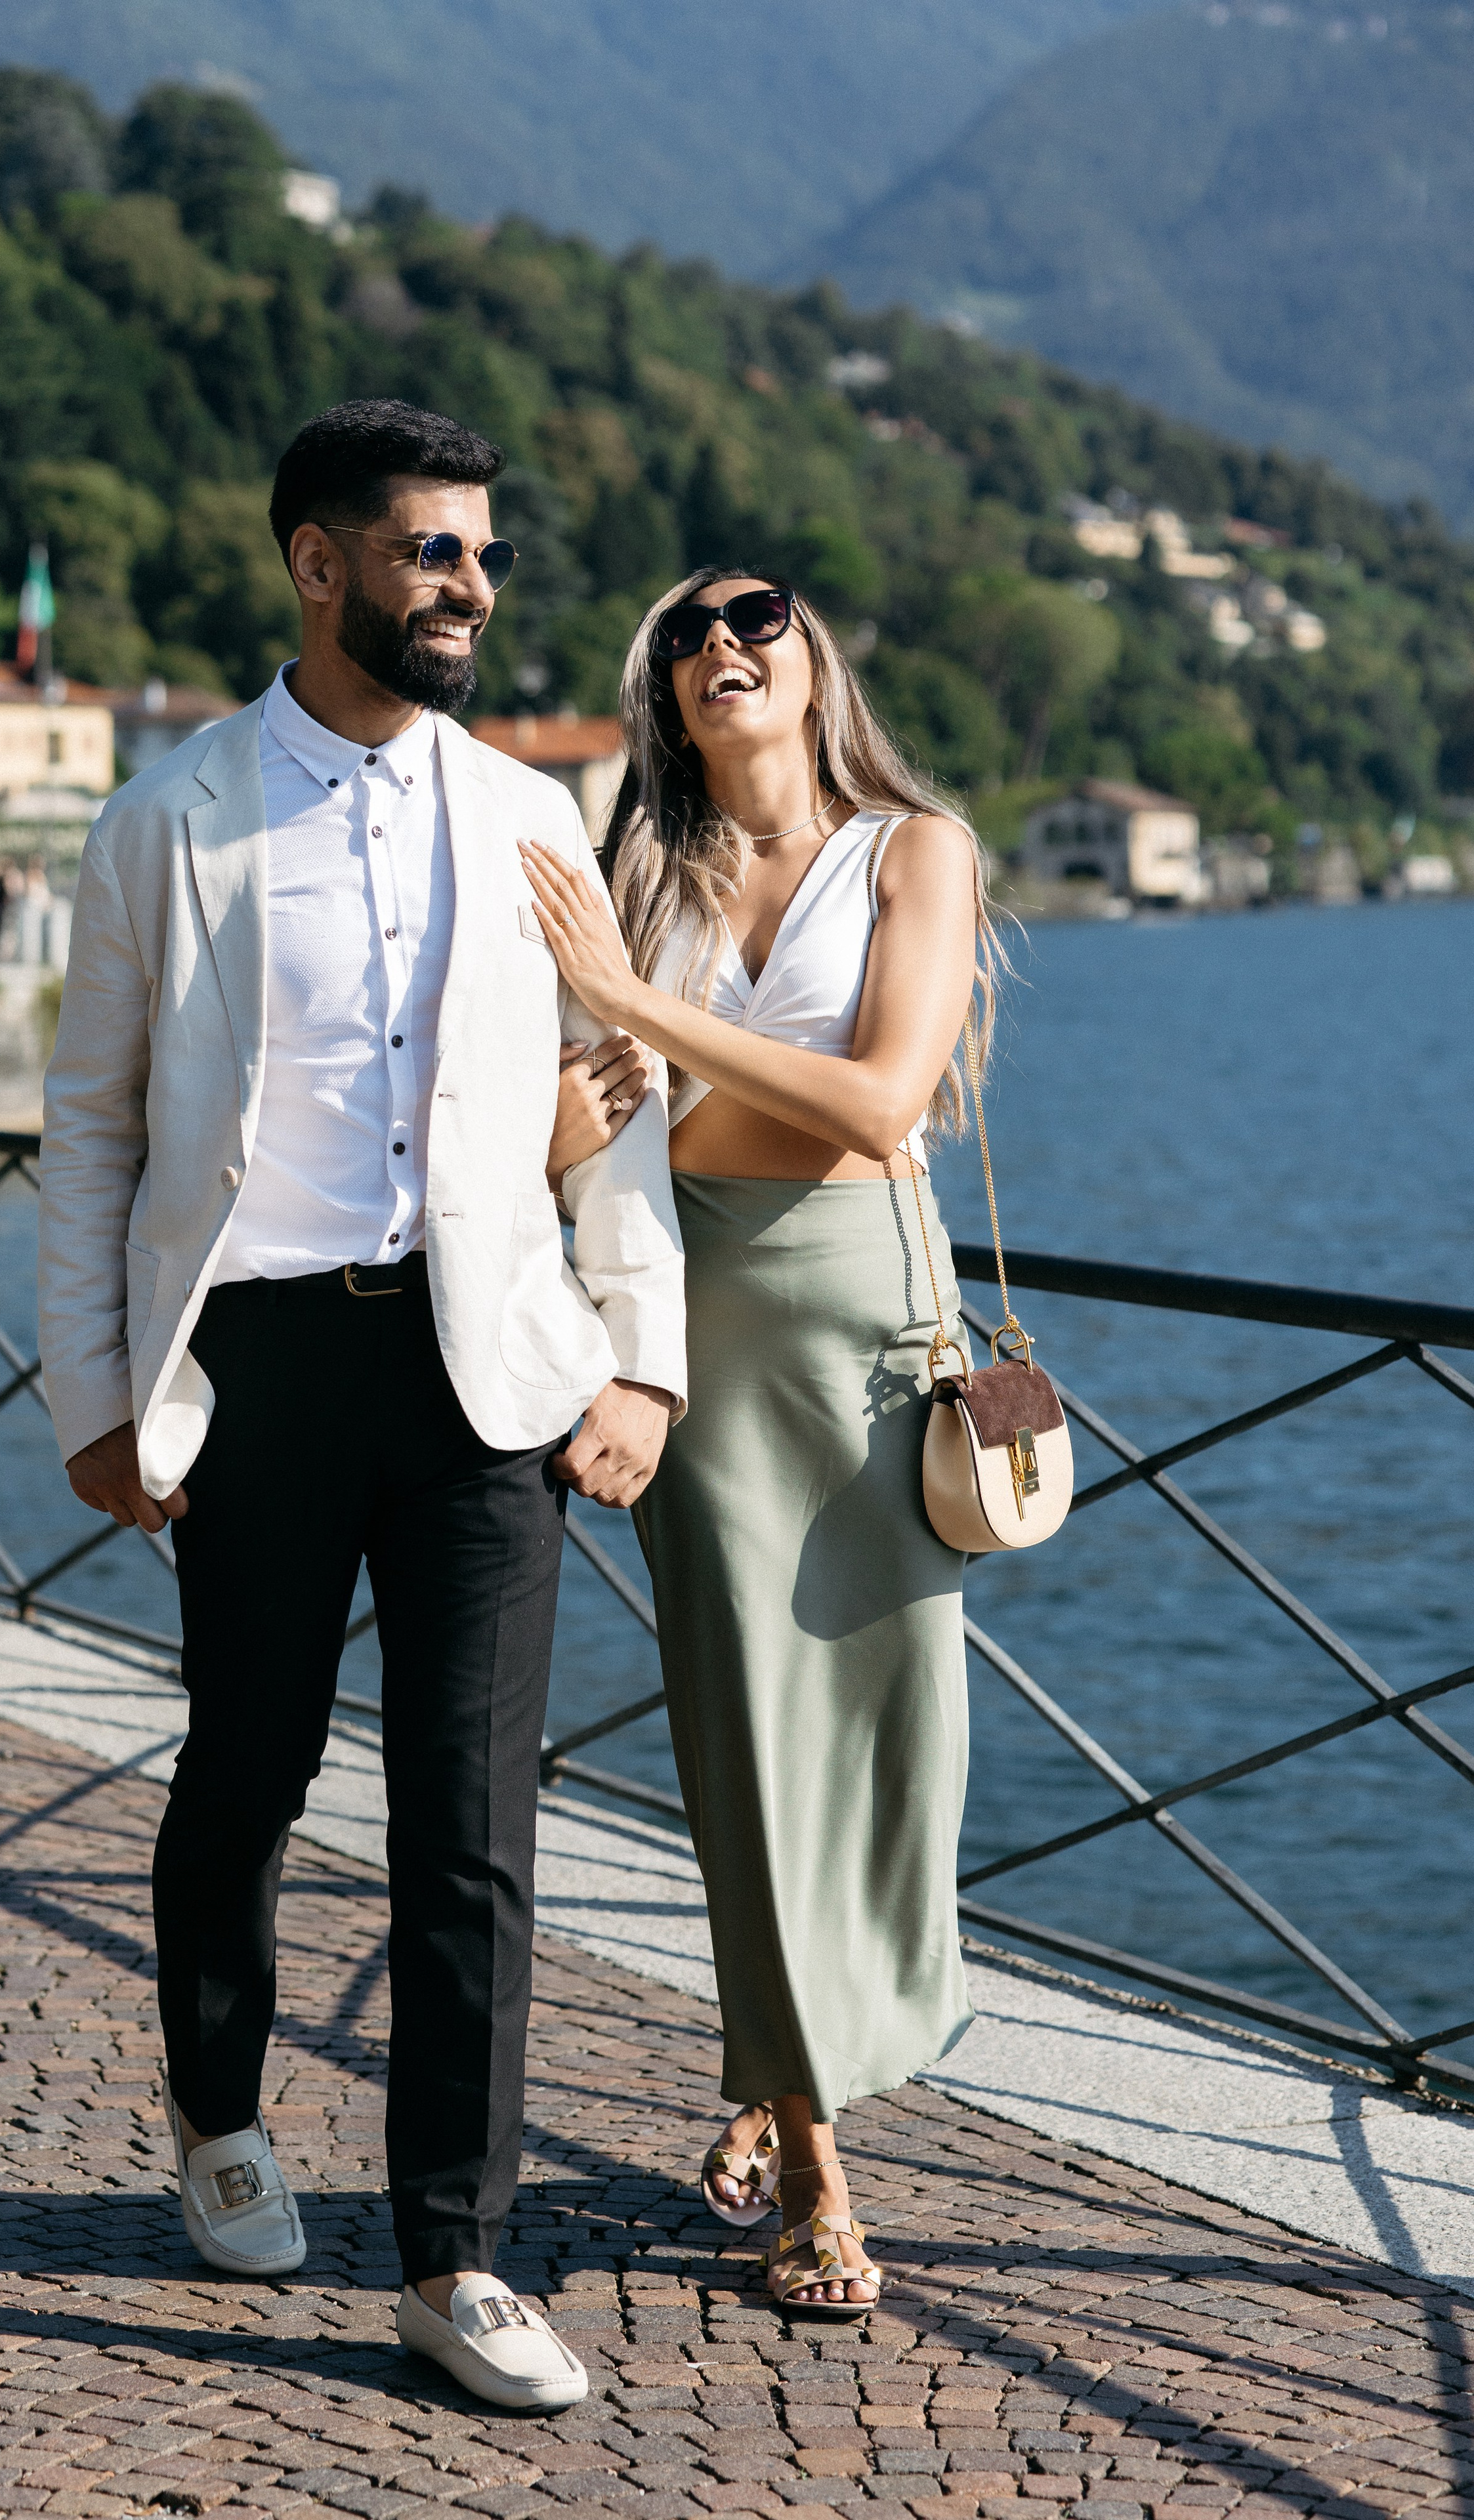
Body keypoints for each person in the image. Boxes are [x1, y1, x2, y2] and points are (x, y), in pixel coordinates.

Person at [37, 398, 686, 2410]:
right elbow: (90, 1130)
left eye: (485, 554)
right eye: (431, 552)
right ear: (318, 566)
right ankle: (222, 2120)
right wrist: (91, 1396)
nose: (472, 588)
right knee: (247, 1769)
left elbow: (616, 1103)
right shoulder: (170, 819)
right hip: (255, 1364)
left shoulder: (532, 815)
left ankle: (455, 2251)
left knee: (472, 1827)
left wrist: (641, 1349)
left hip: (485, 1360)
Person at [517, 566, 1004, 2318]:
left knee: (889, 1738)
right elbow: (579, 1109)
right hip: (696, 1332)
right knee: (741, 1737)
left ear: (812, 662)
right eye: (684, 637)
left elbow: (884, 1096)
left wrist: (640, 1017)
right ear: (665, 691)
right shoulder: (632, 867)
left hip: (868, 1321)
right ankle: (816, 2165)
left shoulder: (916, 850)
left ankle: (773, 2055)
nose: (723, 646)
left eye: (758, 619)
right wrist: (574, 1112)